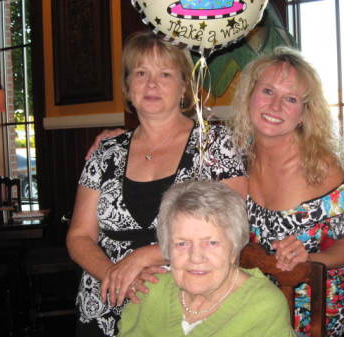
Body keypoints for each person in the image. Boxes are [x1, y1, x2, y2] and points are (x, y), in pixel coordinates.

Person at [66, 31, 247, 337]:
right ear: (128, 87)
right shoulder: (105, 152)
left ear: (183, 87)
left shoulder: (215, 145)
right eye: (140, 73)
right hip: (105, 302)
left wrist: (141, 258)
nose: (151, 84)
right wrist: (114, 273)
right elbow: (79, 236)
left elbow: (233, 229)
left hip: (187, 303)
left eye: (165, 73)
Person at [229, 46, 344, 337]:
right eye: (268, 91)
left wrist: (311, 259)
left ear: (304, 113)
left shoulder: (323, 168)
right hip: (252, 292)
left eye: (290, 98)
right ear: (250, 96)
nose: (276, 105)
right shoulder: (233, 158)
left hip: (314, 300)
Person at [118, 180, 296, 337]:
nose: (195, 257)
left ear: (234, 248)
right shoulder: (149, 290)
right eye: (182, 243)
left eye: (211, 243)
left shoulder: (262, 306)